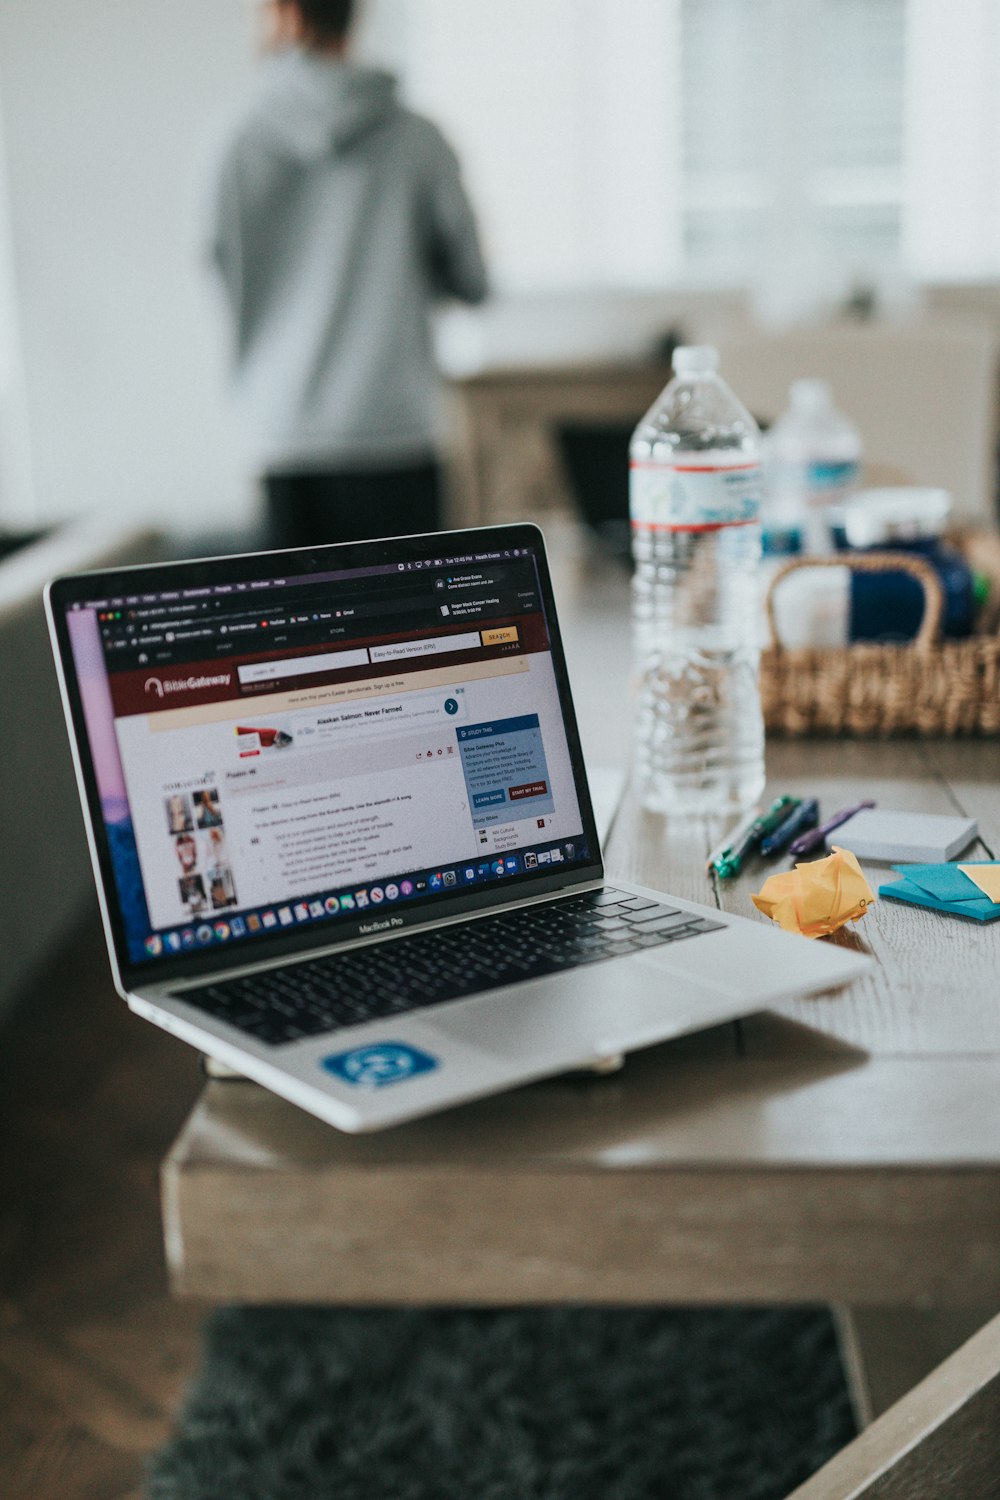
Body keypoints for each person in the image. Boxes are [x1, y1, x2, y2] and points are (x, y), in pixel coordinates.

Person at [205, 0, 489, 549]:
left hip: (284, 429)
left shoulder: (236, 140)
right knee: (412, 627)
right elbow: (472, 279)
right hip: (395, 427)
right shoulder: (417, 138)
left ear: (282, 15)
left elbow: (219, 266)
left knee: (296, 629)